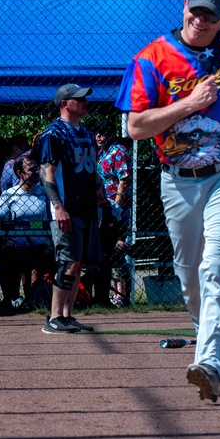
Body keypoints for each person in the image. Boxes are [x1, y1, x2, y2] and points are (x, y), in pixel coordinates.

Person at [117, 0, 220, 403]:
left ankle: (212, 366)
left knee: (216, 264)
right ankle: (207, 340)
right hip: (178, 179)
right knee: (189, 277)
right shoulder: (151, 58)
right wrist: (190, 104)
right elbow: (135, 128)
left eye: (210, 16)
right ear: (184, 7)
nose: (200, 20)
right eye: (196, 11)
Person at [34, 83, 101, 334]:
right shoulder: (53, 134)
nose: (85, 102)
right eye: (79, 98)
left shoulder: (86, 132)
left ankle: (67, 315)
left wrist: (99, 187)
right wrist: (58, 207)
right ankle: (53, 317)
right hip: (67, 208)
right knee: (68, 261)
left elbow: (91, 168)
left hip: (87, 207)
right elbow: (47, 174)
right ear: (65, 104)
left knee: (78, 263)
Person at [0, 154, 52, 308]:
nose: (36, 173)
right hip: (18, 247)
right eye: (31, 170)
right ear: (20, 173)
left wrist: (24, 225)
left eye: (37, 169)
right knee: (7, 251)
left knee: (51, 255)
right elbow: (1, 221)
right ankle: (10, 298)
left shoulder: (45, 193)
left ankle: (36, 297)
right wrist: (34, 225)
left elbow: (50, 221)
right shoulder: (9, 194)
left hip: (41, 247)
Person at [92, 119, 132, 307]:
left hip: (116, 208)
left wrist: (116, 206)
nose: (99, 136)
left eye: (104, 132)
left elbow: (124, 179)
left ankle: (121, 296)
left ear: (112, 134)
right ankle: (108, 294)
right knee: (105, 249)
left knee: (117, 248)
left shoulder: (119, 151)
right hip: (101, 208)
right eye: (97, 133)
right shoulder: (99, 153)